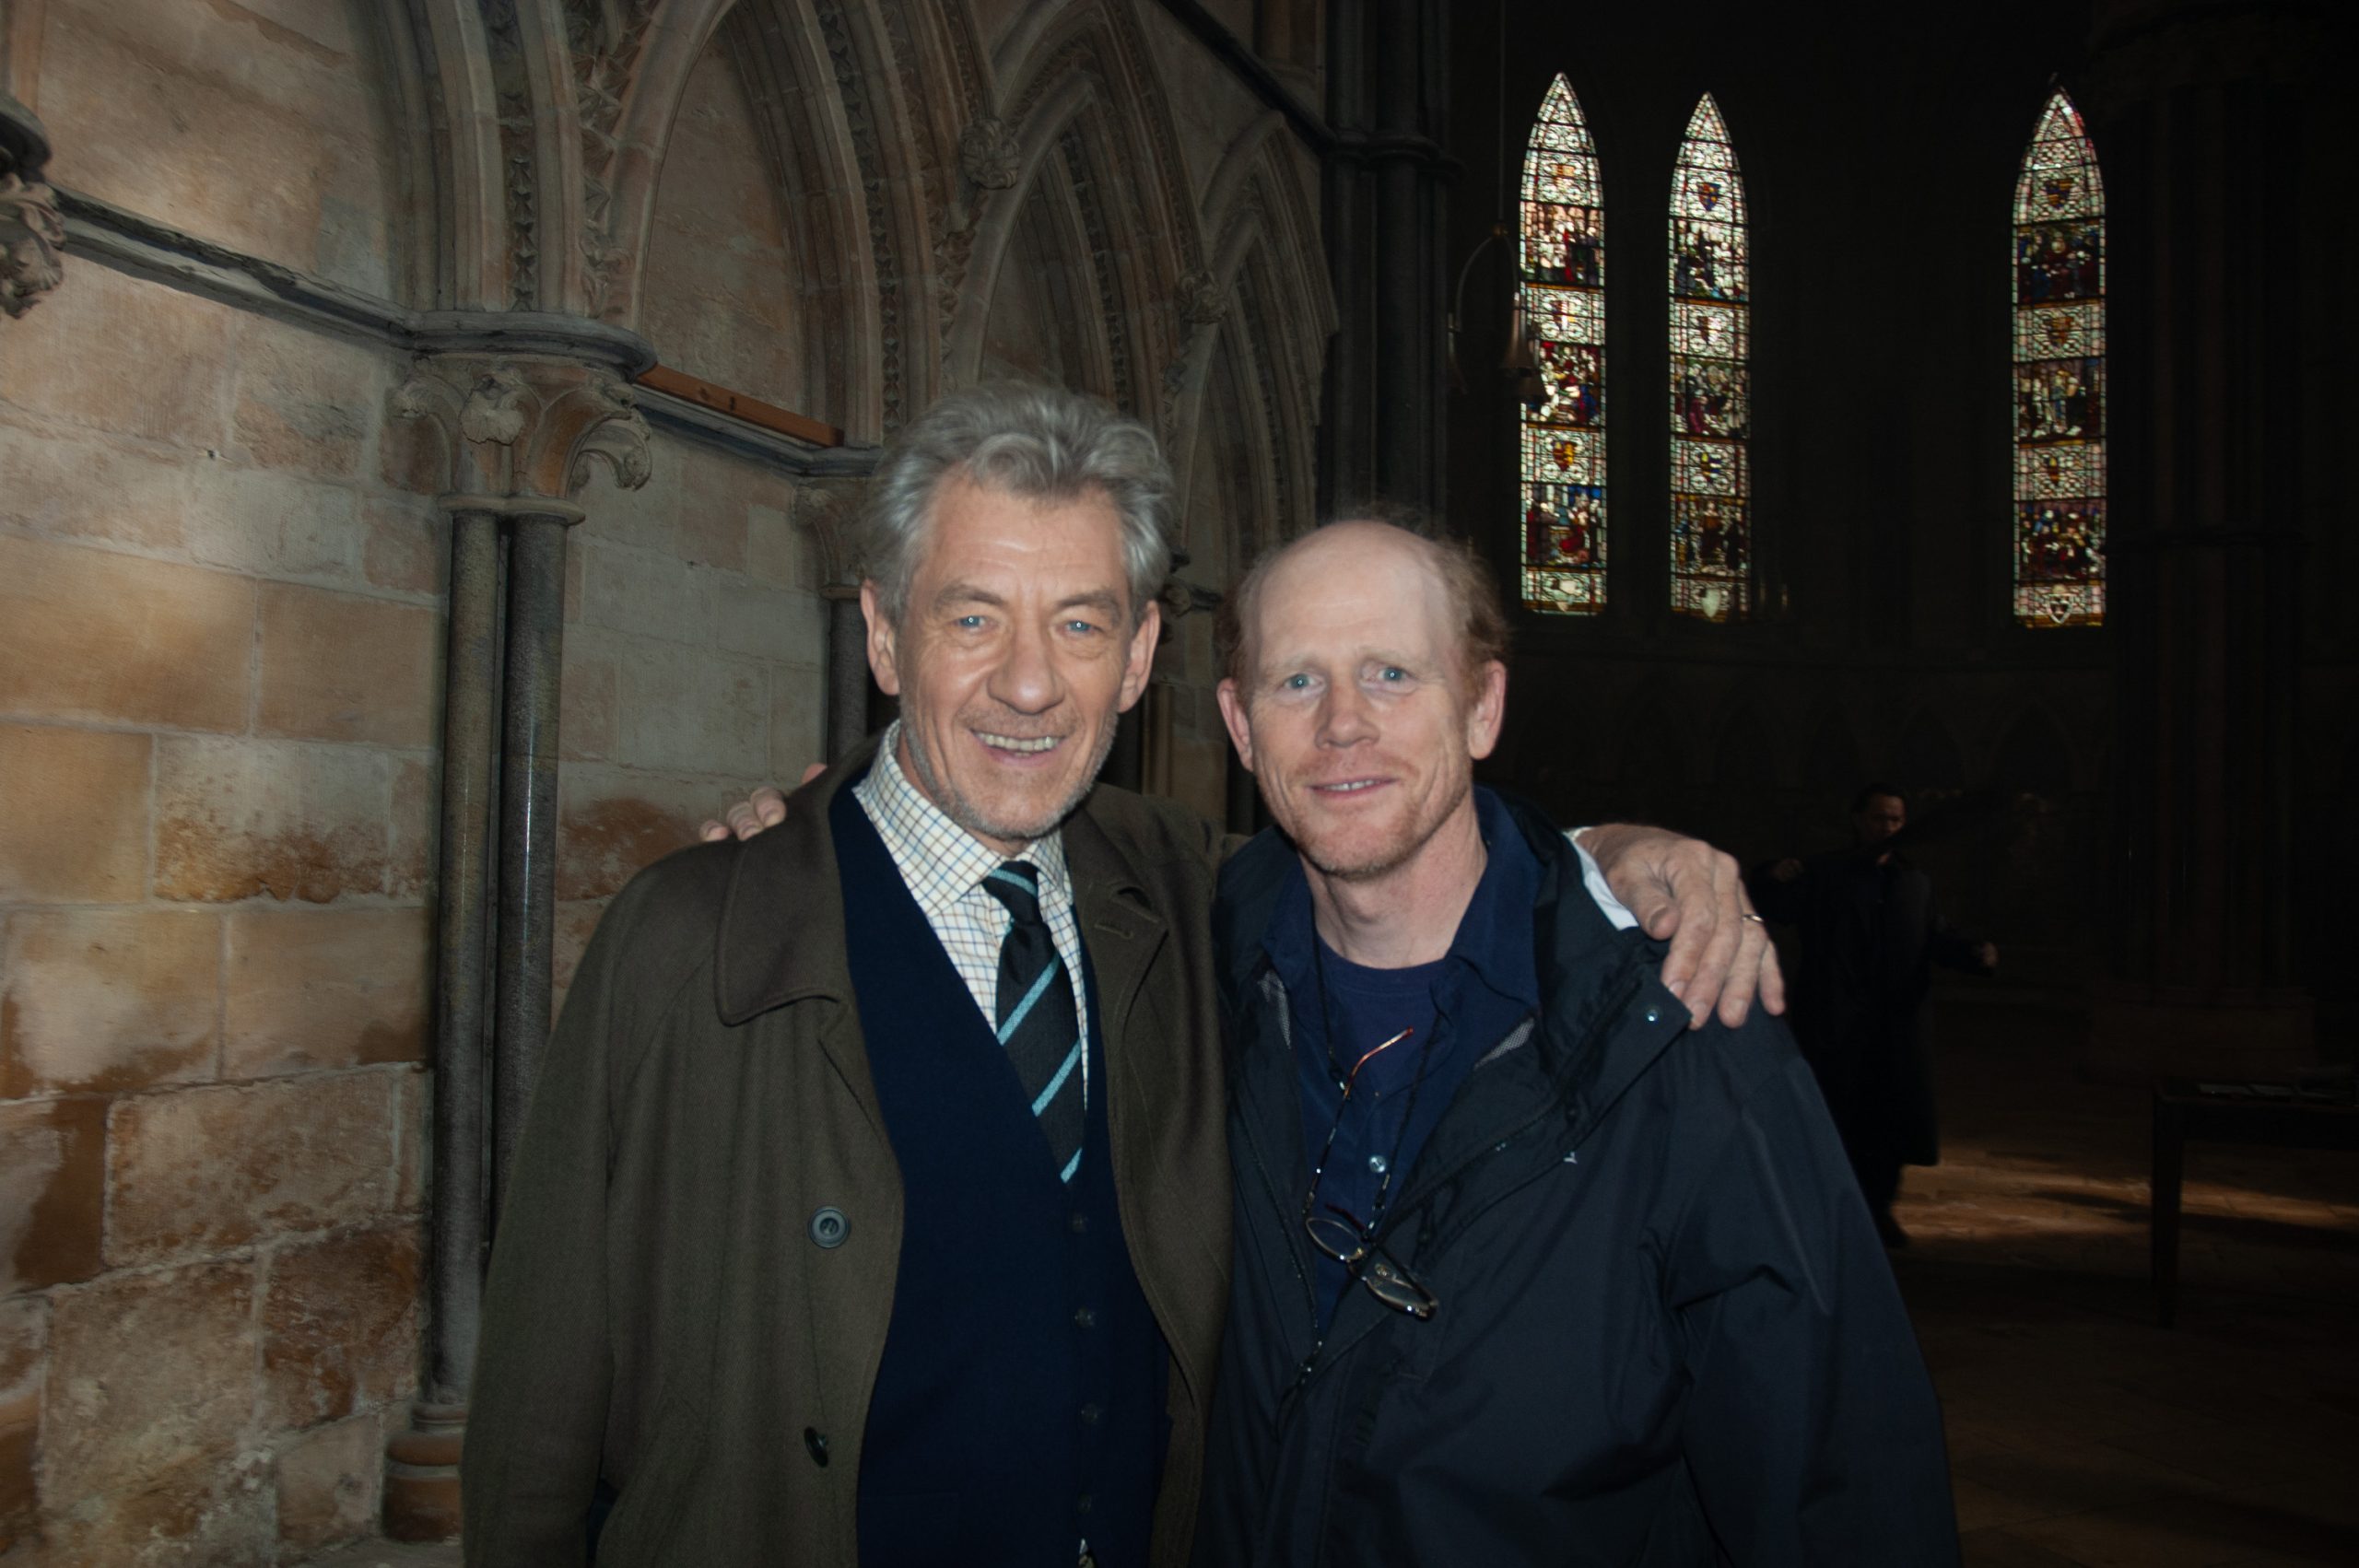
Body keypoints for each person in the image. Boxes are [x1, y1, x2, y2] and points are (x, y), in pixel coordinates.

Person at [467, 384, 1779, 1568]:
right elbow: (540, 1404)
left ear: (1143, 657)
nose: (1029, 682)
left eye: (1080, 623)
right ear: (882, 635)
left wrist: (1612, 855)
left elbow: (1391, 844)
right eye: (971, 615)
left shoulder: (1188, 889)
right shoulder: (695, 936)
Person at [1197, 521, 1956, 1565]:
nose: (1342, 724)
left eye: (1390, 672)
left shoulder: (1683, 1026)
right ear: (1239, 726)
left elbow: (1838, 1476)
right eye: (1294, 683)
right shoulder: (1198, 971)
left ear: (1482, 706)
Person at [1752, 784, 1998, 1248]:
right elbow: (1772, 903)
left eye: (1895, 820)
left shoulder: (1913, 882)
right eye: (1878, 818)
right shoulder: (1825, 873)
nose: (1886, 828)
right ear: (1857, 820)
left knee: (1887, 1121)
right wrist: (1771, 875)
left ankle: (1878, 1210)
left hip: (1893, 1027)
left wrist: (1973, 953)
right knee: (1836, 1116)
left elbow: (1934, 935)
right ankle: (1825, 1211)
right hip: (1835, 1023)